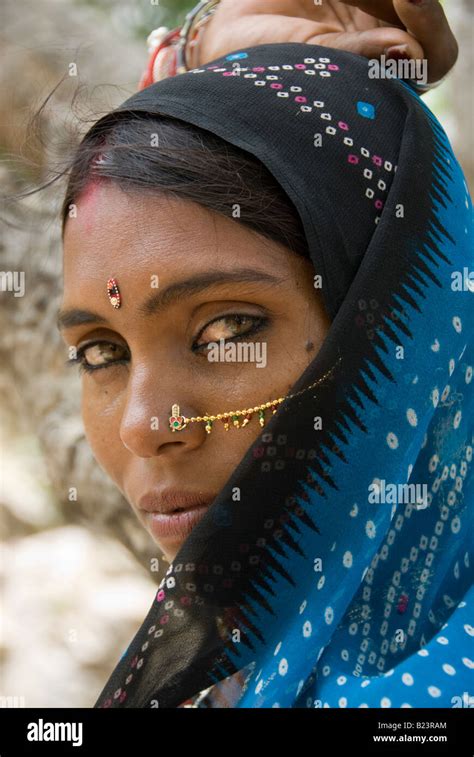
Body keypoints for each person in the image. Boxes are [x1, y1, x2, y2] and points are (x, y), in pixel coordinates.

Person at [54, 9, 473, 705]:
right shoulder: (246, 672)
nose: (143, 426)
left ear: (400, 332)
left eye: (225, 331)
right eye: (101, 351)